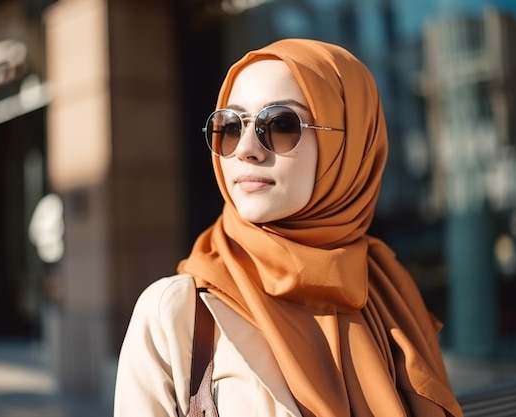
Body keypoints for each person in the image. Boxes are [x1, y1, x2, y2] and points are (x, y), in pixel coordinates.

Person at [113, 38, 463, 417]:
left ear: (349, 146)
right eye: (230, 126)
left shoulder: (388, 291)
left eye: (280, 123)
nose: (246, 148)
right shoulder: (175, 312)